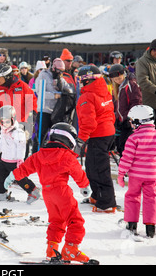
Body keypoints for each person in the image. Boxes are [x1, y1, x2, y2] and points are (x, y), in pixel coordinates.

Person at [6, 122, 92, 263]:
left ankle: (52, 250)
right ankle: (71, 249)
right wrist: (85, 186)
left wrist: (12, 176)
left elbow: (25, 167)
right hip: (62, 192)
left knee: (56, 221)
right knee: (75, 220)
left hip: (47, 193)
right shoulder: (67, 156)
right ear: (69, 140)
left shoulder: (39, 155)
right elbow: (78, 173)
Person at [117, 105, 156, 238]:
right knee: (151, 199)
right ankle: (151, 227)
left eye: (132, 121)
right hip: (151, 175)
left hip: (135, 176)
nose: (131, 124)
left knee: (132, 197)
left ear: (139, 121)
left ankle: (131, 225)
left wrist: (121, 174)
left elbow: (127, 158)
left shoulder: (133, 138)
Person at [75, 65, 117, 212]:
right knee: (92, 167)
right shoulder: (104, 91)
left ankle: (106, 203)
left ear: (88, 80)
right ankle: (97, 195)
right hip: (106, 133)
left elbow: (88, 122)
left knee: (99, 169)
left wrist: (80, 140)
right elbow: (111, 112)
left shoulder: (87, 96)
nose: (79, 82)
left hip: (98, 135)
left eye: (80, 79)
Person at [0, 105, 41, 203]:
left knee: (20, 178)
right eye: (2, 122)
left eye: (7, 121)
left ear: (13, 119)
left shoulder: (18, 132)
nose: (5, 124)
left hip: (14, 161)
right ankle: (0, 192)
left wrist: (20, 159)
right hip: (4, 159)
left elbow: (21, 147)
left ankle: (33, 191)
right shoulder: (4, 131)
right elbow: (2, 142)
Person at [0, 64, 37, 159]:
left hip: (21, 125)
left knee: (20, 156)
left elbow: (31, 101)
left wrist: (31, 116)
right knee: (4, 157)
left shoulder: (22, 86)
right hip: (4, 127)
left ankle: (20, 173)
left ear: (6, 76)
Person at [108, 64, 142, 154]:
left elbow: (136, 102)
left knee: (126, 145)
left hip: (129, 121)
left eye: (119, 78)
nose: (117, 81)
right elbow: (115, 104)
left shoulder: (131, 85)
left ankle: (129, 165)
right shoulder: (117, 87)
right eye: (115, 80)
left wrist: (130, 116)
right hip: (121, 121)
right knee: (119, 144)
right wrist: (115, 116)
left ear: (124, 75)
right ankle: (124, 164)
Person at [33, 58, 66, 152]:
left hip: (56, 111)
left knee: (55, 135)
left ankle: (50, 154)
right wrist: (54, 95)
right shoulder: (43, 75)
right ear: (54, 68)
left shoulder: (60, 78)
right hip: (44, 109)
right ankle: (36, 154)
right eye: (59, 71)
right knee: (41, 135)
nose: (60, 73)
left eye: (62, 71)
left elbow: (65, 88)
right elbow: (40, 92)